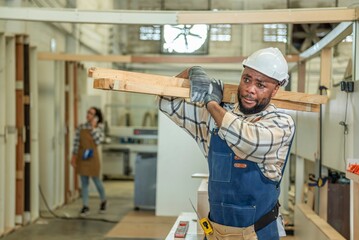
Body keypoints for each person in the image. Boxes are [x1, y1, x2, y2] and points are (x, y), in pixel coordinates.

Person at [158, 47, 296, 240]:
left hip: (257, 234)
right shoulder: (215, 118)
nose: (250, 89)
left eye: (261, 85)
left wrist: (212, 104)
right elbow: (167, 103)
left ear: (276, 89)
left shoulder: (280, 123)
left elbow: (248, 141)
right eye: (246, 79)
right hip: (216, 234)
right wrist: (190, 73)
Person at [71, 106, 107, 217]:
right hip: (82, 157)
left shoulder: (99, 128)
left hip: (93, 158)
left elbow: (98, 141)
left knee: (97, 181)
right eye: (88, 112)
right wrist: (74, 156)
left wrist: (93, 128)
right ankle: (85, 206)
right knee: (84, 183)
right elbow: (76, 142)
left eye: (91, 113)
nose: (88, 115)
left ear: (96, 116)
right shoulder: (81, 127)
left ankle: (103, 200)